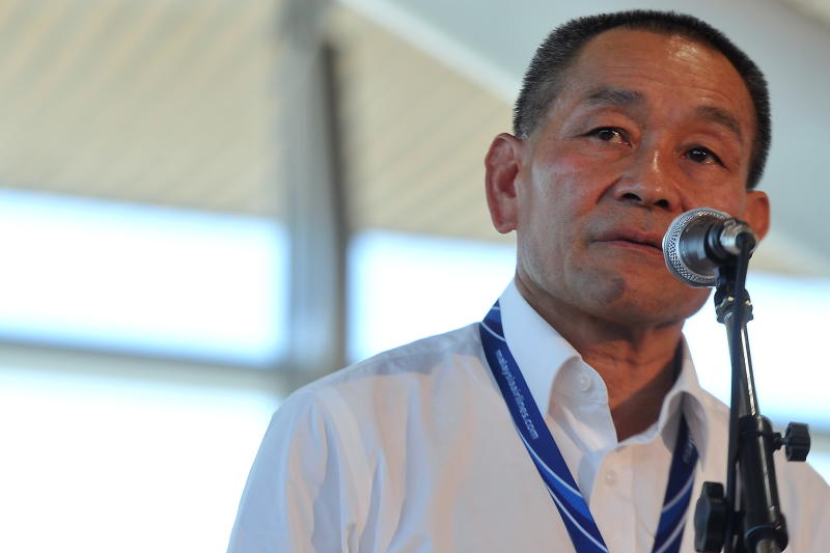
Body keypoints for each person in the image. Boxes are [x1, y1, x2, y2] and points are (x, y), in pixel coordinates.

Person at [227, 10, 829, 553]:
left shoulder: (796, 505)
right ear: (508, 182)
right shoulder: (347, 431)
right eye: (607, 133)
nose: (650, 184)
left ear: (748, 226)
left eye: (700, 153)